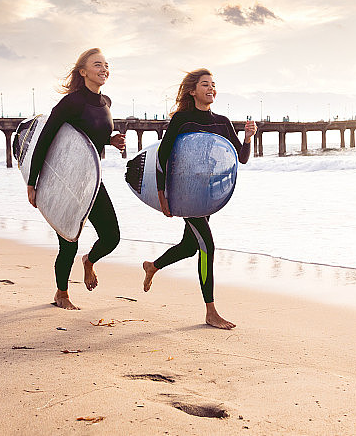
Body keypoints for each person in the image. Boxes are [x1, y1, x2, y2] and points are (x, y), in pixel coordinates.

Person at [142, 68, 256, 329]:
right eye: (205, 84)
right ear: (192, 91)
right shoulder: (182, 120)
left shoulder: (222, 122)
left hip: (206, 195)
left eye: (213, 85)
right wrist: (162, 195)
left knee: (189, 246)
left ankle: (153, 266)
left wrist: (248, 138)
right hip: (185, 192)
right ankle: (211, 311)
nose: (211, 89)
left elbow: (241, 157)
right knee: (207, 246)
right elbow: (163, 157)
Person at [26, 48, 125, 310]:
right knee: (69, 240)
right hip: (65, 181)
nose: (104, 69)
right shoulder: (71, 103)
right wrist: (32, 182)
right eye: (97, 65)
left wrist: (110, 140)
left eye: (106, 65)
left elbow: (88, 139)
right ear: (83, 72)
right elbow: (46, 140)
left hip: (91, 181)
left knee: (112, 236)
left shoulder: (107, 103)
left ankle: (89, 261)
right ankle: (62, 293)